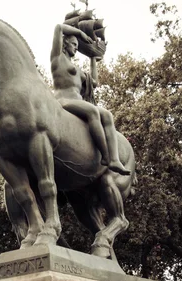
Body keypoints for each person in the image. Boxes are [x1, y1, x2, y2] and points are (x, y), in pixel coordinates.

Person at [51, 23, 130, 175]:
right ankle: (105, 156)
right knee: (93, 111)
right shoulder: (57, 58)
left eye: (76, 45)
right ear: (65, 44)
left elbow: (94, 82)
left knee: (107, 115)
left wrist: (93, 58)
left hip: (77, 102)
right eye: (73, 44)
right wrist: (80, 34)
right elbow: (58, 28)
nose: (75, 47)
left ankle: (114, 159)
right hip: (63, 101)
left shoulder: (78, 70)